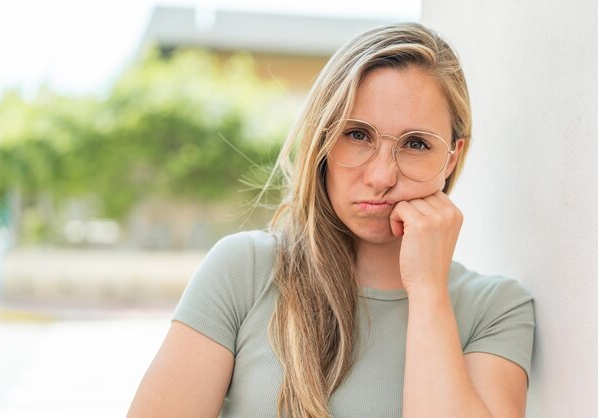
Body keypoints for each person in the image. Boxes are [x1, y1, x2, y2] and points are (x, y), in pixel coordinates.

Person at [127, 22, 535, 418]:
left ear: (452, 157)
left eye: (415, 143)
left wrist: (428, 292)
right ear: (322, 139)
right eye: (357, 134)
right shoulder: (244, 270)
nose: (381, 177)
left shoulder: (496, 309)